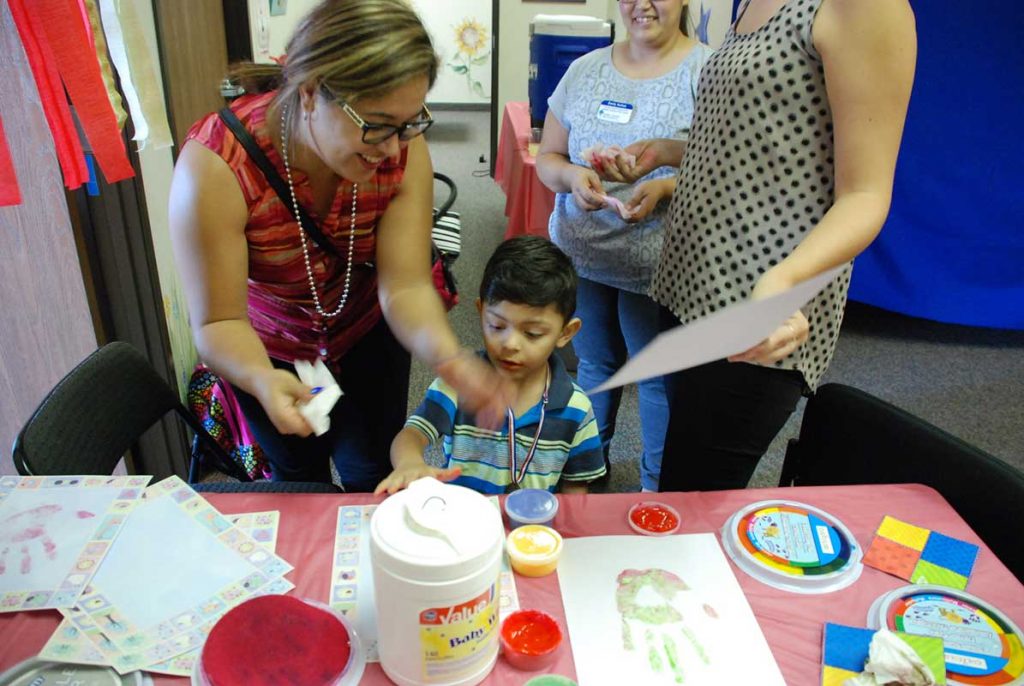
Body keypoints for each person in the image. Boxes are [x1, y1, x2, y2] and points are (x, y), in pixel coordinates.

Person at [169, 0, 509, 491]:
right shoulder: (217, 166)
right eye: (376, 124)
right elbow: (218, 321)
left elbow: (407, 284)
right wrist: (263, 379)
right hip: (269, 350)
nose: (394, 148)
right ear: (309, 94)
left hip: (368, 330)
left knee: (372, 472)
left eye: (410, 122)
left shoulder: (400, 149)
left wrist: (450, 358)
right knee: (298, 480)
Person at [602, 0, 917, 491]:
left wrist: (784, 281)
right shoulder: (749, 3)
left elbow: (866, 195)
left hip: (756, 311)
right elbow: (769, 139)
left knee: (696, 499)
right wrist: (667, 152)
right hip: (687, 285)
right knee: (679, 486)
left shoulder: (863, 7)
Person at [535, 0, 712, 492]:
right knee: (594, 364)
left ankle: (654, 490)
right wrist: (572, 177)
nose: (642, 5)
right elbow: (547, 158)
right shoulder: (584, 70)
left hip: (658, 264)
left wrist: (666, 187)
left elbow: (723, 169)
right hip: (583, 252)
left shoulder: (706, 71)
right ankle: (586, 474)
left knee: (655, 379)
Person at [375, 236, 607, 496]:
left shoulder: (576, 407)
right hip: (461, 520)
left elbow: (576, 487)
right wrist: (410, 463)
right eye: (497, 326)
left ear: (566, 332)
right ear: (480, 310)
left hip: (528, 529)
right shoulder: (460, 384)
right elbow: (412, 434)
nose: (510, 344)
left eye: (532, 333)